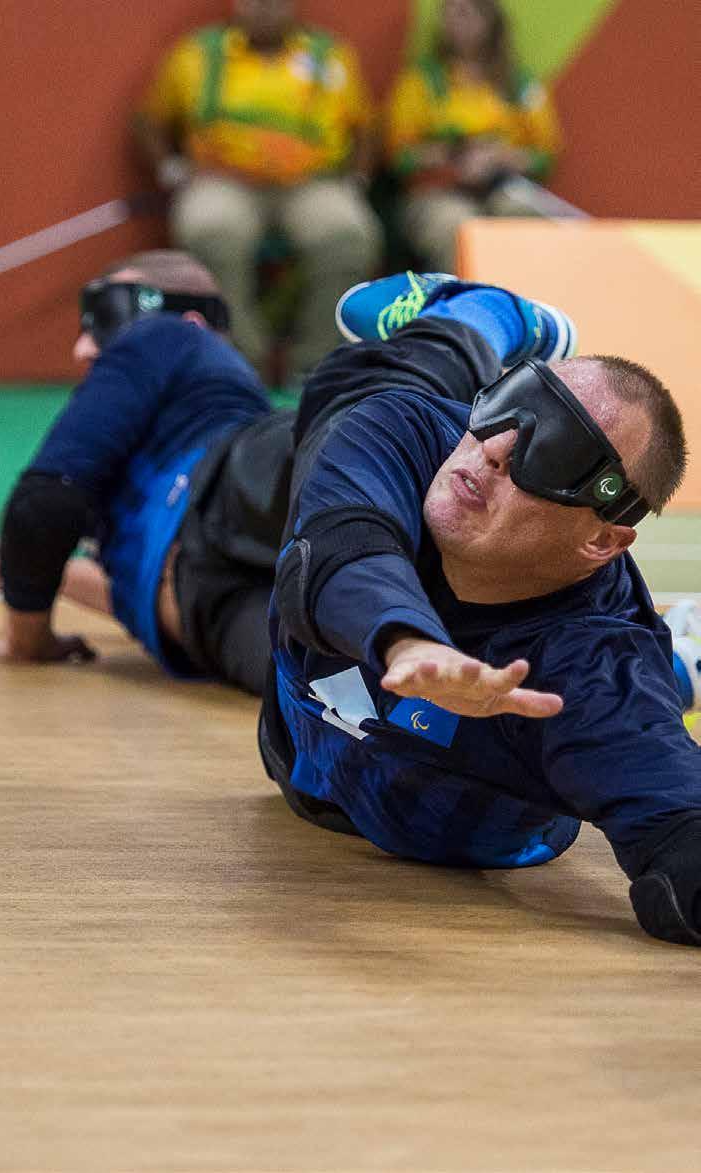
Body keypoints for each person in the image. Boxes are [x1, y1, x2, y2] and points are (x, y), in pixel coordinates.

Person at [259, 269, 701, 946]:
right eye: (509, 404)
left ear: (602, 537)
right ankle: (484, 315)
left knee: (638, 692)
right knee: (350, 389)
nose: (492, 448)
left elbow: (684, 842)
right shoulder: (408, 434)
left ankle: (678, 661)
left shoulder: (589, 682)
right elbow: (336, 550)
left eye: (552, 452)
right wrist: (408, 643)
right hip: (301, 760)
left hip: (440, 818)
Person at [0, 250, 294, 696]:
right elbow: (142, 576)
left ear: (191, 323)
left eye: (107, 318)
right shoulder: (142, 495)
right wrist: (41, 568)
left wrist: (28, 637)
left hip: (204, 611)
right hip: (198, 590)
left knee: (339, 685)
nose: (82, 347)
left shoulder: (167, 336)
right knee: (375, 670)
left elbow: (46, 503)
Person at [133, 0, 382, 379]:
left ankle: (317, 366)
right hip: (223, 182)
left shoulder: (330, 55)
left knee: (347, 233)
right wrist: (171, 169)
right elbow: (148, 119)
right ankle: (242, 363)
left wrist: (357, 179)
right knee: (210, 229)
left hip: (312, 184)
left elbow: (366, 127)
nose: (266, 8)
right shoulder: (197, 54)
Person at [383, 0, 562, 271]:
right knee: (458, 230)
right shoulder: (423, 80)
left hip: (501, 187)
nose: (454, 22)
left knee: (524, 218)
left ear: (489, 20)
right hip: (437, 193)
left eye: (465, 13)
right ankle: (460, 312)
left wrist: (501, 158)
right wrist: (452, 154)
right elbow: (398, 159)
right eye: (448, 13)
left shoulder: (517, 83)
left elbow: (546, 157)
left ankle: (517, 311)